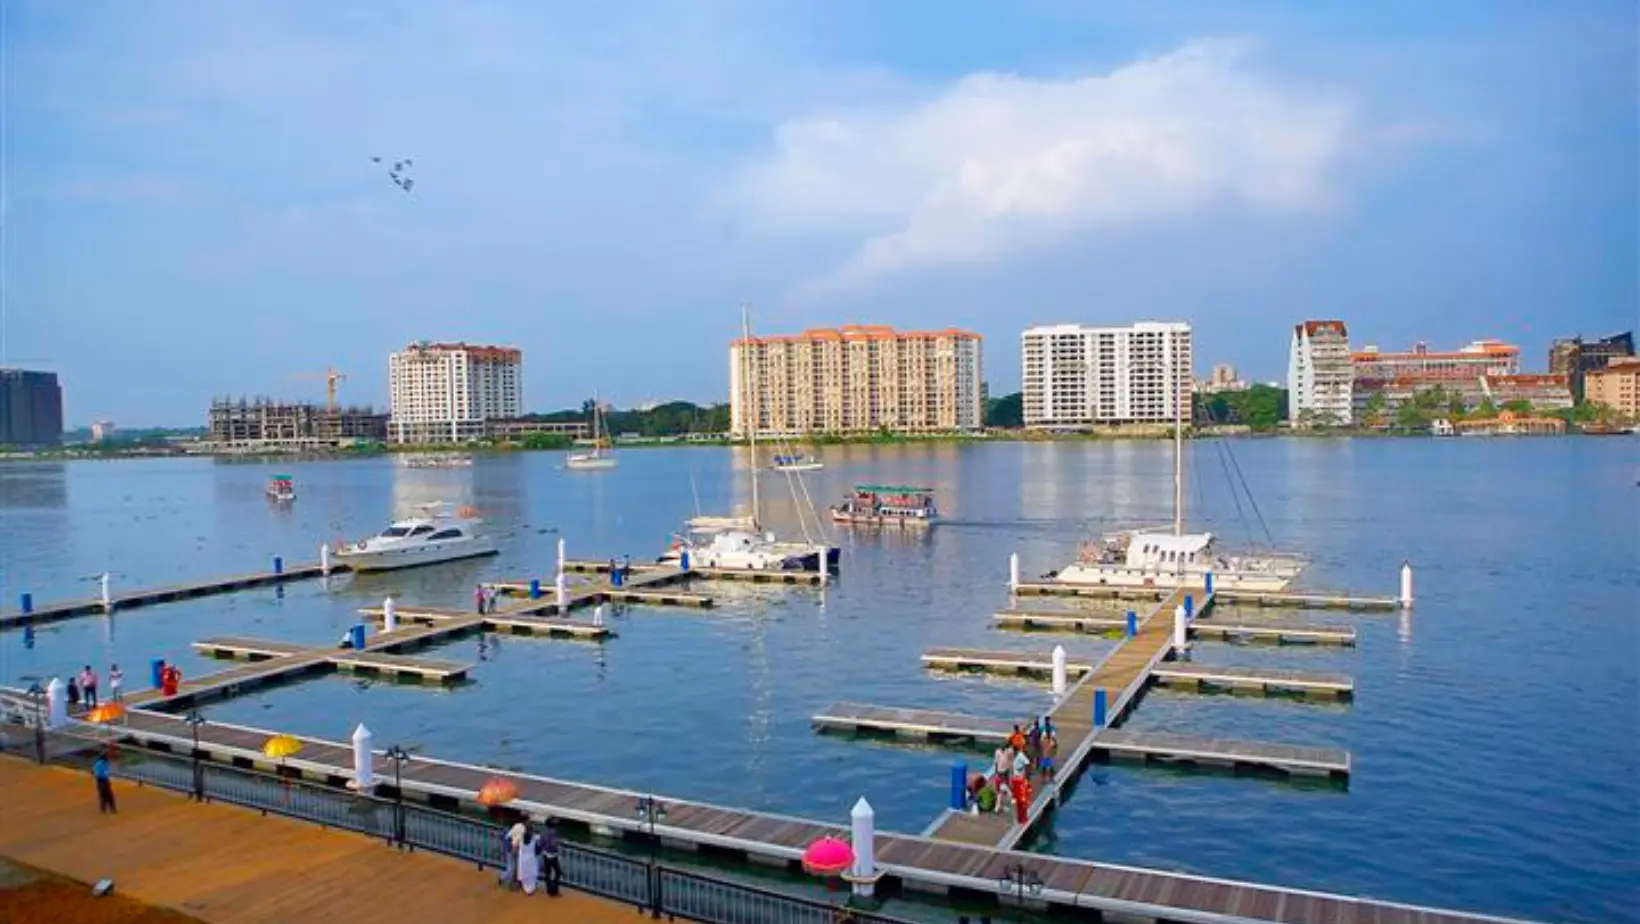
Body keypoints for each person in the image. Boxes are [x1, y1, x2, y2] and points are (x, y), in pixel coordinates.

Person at [539, 818, 562, 897]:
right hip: (553, 855)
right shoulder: (554, 833)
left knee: (547, 873)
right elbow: (554, 844)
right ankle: (554, 890)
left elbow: (541, 843)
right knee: (558, 872)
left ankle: (549, 890)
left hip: (545, 854)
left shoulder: (543, 832)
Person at [517, 826, 541, 895]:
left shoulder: (521, 838)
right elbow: (537, 850)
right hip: (531, 859)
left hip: (523, 859)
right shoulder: (534, 839)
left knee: (524, 874)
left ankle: (526, 888)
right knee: (531, 875)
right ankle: (530, 889)